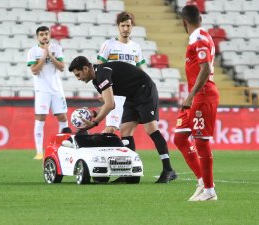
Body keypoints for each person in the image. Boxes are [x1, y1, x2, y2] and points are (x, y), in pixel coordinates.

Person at [68, 56, 177, 183]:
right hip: (131, 96)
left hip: (144, 89)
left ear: (86, 68)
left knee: (151, 129)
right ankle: (127, 174)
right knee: (125, 131)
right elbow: (110, 103)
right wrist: (93, 113)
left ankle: (168, 170)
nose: (79, 78)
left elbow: (109, 105)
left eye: (78, 74)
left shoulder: (102, 73)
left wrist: (94, 123)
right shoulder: (96, 80)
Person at [173, 5, 219, 201]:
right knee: (180, 138)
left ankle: (209, 191)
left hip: (203, 94)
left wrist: (190, 95)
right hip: (196, 95)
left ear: (184, 22)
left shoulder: (199, 39)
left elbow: (205, 68)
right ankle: (202, 181)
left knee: (201, 141)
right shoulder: (200, 36)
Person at [97, 11, 146, 134]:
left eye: (128, 26)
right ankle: (93, 146)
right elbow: (99, 68)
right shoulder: (109, 45)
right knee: (111, 128)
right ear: (118, 26)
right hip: (115, 93)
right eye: (123, 25)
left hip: (131, 96)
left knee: (127, 130)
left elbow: (141, 72)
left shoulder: (136, 47)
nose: (125, 29)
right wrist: (101, 90)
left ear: (132, 27)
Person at [27, 26, 70, 160]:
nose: (44, 36)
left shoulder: (56, 48)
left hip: (56, 89)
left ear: (50, 35)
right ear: (37, 37)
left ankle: (61, 148)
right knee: (40, 119)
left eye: (46, 34)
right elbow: (34, 70)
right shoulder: (33, 52)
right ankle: (39, 152)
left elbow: (62, 67)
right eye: (41, 34)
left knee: (62, 117)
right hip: (42, 90)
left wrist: (51, 56)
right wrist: (44, 57)